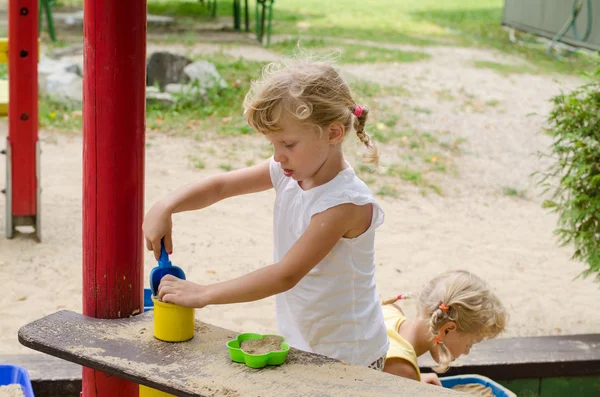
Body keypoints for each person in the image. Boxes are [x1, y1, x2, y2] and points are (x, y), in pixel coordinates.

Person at [142, 58, 389, 369]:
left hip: (351, 354)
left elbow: (286, 274)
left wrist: (203, 294)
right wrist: (167, 204)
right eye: (272, 143)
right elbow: (220, 186)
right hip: (307, 343)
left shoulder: (344, 203)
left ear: (333, 133)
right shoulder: (291, 171)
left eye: (287, 143)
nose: (277, 155)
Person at [382, 270, 508, 384]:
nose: (466, 352)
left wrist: (416, 380)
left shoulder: (390, 310)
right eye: (469, 343)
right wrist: (409, 380)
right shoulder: (401, 368)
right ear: (447, 329)